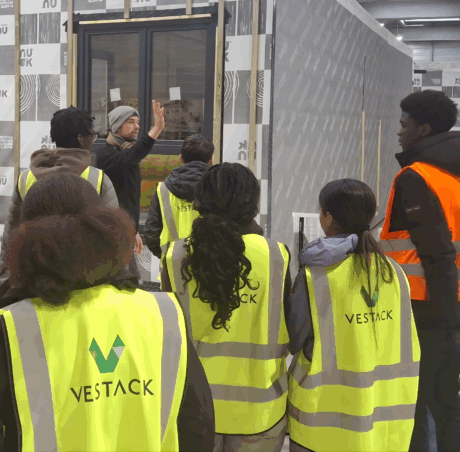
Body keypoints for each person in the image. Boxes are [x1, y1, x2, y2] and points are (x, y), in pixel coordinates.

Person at [0, 173, 215, 452]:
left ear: (25, 242)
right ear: (107, 231)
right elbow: (197, 429)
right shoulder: (163, 315)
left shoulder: (5, 332)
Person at [379, 91, 460, 452]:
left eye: (404, 126)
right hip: (459, 311)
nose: (400, 133)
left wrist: (448, 324)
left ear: (423, 128)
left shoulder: (416, 178)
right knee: (447, 404)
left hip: (425, 312)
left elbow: (438, 256)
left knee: (414, 406)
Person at [161, 163, 290, 452]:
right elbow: (294, 330)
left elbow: (167, 335)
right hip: (260, 411)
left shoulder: (174, 257)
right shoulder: (276, 256)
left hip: (193, 411)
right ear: (252, 204)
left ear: (200, 200)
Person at [286, 179, 421, 452]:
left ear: (328, 218)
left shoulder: (315, 277)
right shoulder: (393, 272)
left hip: (322, 423)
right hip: (383, 422)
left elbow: (293, 338)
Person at [0, 107, 120, 297]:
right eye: (92, 136)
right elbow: (114, 237)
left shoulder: (26, 178)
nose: (92, 141)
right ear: (81, 138)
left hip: (35, 278)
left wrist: (5, 281)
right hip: (83, 281)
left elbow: (11, 234)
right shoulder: (97, 179)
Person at [96, 100, 166, 251]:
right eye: (131, 122)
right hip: (110, 233)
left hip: (125, 230)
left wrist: (134, 230)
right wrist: (156, 130)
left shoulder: (126, 152)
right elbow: (130, 157)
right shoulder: (106, 155)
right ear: (117, 125)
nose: (137, 127)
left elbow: (129, 199)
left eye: (138, 122)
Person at [142, 134, 215, 258]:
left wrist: (167, 257)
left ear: (181, 159)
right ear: (210, 160)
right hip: (210, 265)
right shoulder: (217, 187)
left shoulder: (163, 189)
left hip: (172, 267)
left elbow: (151, 233)